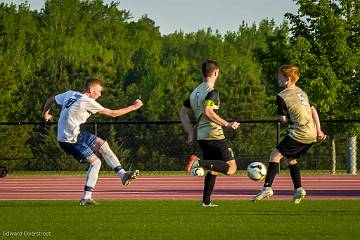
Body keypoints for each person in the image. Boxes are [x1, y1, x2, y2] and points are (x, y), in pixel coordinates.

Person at [42, 77, 143, 205]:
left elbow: (50, 100)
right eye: (99, 91)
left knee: (103, 145)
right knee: (96, 163)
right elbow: (113, 113)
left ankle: (123, 175)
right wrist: (134, 107)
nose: (100, 94)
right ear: (91, 90)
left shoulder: (70, 94)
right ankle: (86, 197)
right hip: (70, 141)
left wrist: (45, 114)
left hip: (76, 135)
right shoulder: (87, 101)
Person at [252, 65, 326, 204]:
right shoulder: (301, 92)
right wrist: (319, 130)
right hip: (311, 133)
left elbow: (283, 120)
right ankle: (299, 189)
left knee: (275, 155)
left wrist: (283, 117)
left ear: (288, 79)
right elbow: (313, 110)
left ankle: (267, 188)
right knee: (291, 159)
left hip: (300, 132)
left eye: (280, 76)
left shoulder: (282, 96)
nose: (278, 78)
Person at [179, 59, 240, 207]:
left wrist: (190, 132)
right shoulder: (212, 92)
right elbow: (208, 112)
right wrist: (227, 123)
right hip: (214, 134)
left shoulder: (195, 92)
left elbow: (182, 112)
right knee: (231, 168)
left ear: (202, 73)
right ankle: (197, 163)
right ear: (216, 72)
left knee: (214, 169)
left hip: (201, 136)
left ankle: (206, 201)